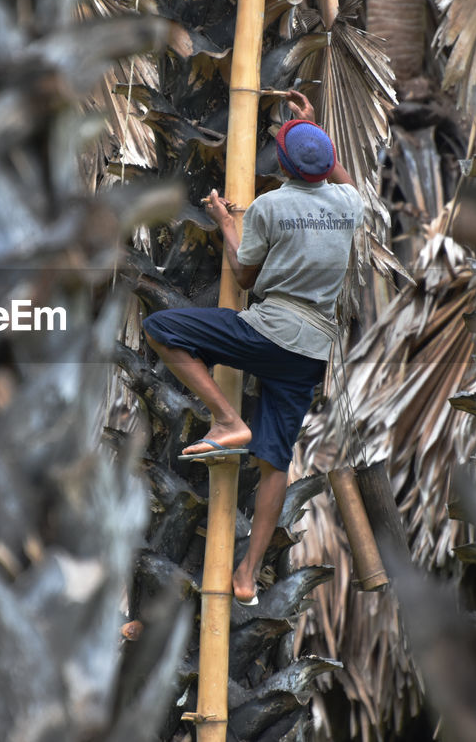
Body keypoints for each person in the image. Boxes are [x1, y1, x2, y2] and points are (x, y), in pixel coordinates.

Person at [143, 90, 363, 604]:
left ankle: (227, 420)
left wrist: (224, 221)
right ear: (326, 164)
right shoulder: (348, 204)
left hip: (269, 331)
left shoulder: (269, 206)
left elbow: (243, 276)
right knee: (274, 463)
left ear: (280, 164)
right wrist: (317, 130)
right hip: (312, 350)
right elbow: (343, 177)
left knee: (161, 327)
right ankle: (247, 576)